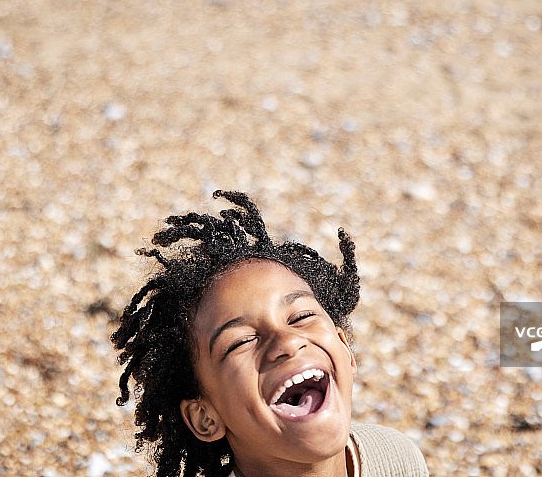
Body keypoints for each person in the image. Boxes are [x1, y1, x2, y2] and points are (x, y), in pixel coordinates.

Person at [112, 190, 429, 477]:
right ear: (204, 417)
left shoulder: (396, 458)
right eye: (241, 341)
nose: (288, 342)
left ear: (346, 352)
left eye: (301, 316)